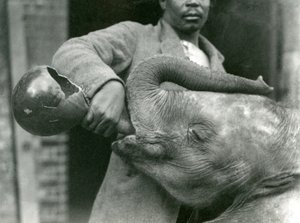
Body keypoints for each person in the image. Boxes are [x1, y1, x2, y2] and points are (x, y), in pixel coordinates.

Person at [52, 0, 224, 222]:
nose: (193, 2)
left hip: (199, 209)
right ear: (163, 1)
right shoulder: (137, 37)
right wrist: (107, 84)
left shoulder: (218, 65)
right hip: (137, 206)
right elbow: (72, 50)